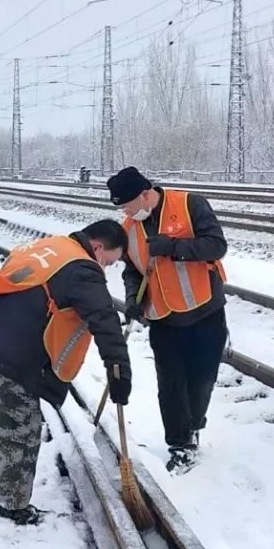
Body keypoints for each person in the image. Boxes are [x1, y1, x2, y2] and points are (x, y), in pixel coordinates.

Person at [0, 220, 132, 526]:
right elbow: (105, 320)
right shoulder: (83, 268)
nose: (106, 268)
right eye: (109, 261)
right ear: (97, 247)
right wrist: (119, 371)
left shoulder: (48, 246)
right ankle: (13, 508)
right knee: (17, 433)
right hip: (11, 359)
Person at [107, 166, 228, 474]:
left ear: (146, 194)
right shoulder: (129, 228)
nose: (128, 213)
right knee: (170, 385)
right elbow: (132, 269)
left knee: (201, 381)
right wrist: (133, 297)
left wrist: (174, 248)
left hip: (205, 312)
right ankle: (180, 445)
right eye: (123, 209)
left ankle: (194, 425)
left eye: (130, 206)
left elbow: (217, 245)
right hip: (163, 318)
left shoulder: (190, 204)